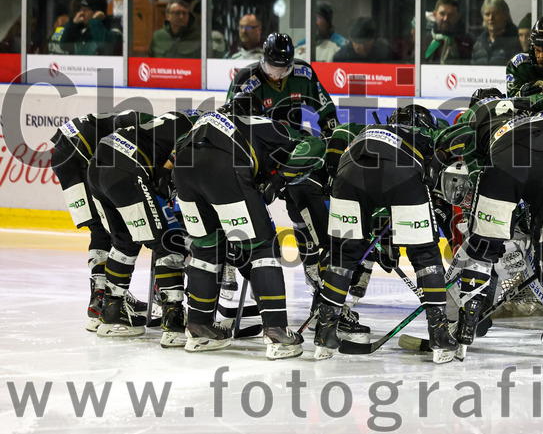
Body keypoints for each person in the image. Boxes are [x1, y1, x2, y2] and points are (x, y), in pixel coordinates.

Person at [433, 88, 543, 359]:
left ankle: (464, 334)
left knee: (482, 249)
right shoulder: (531, 102)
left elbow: (449, 151)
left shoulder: (473, 115)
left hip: (506, 157)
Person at [172, 95, 324, 359]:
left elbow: (175, 152)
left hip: (184, 172)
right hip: (225, 169)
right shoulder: (260, 122)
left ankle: (198, 327)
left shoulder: (202, 122)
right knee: (263, 248)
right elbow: (313, 145)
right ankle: (277, 333)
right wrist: (277, 180)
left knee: (206, 249)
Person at [321, 105, 458, 363]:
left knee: (343, 255)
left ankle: (325, 333)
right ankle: (439, 335)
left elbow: (340, 130)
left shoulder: (366, 128)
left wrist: (333, 168)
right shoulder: (430, 133)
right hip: (402, 172)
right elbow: (457, 138)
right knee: (426, 255)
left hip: (348, 171)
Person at [228, 33, 338, 291]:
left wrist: (333, 140)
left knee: (302, 202)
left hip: (291, 149)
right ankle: (230, 261)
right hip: (255, 153)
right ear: (263, 59)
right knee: (240, 206)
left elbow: (326, 109)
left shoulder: (303, 73)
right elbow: (231, 122)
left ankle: (312, 265)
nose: (278, 74)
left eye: (283, 68)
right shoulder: (247, 79)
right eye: (273, 67)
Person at [87, 110, 200, 345]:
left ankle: (112, 313)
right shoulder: (204, 128)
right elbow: (170, 170)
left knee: (123, 240)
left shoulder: (169, 121)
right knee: (168, 241)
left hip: (97, 165)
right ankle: (173, 323)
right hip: (127, 167)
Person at [49, 110, 146, 332]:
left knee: (98, 228)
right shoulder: (141, 131)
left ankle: (98, 298)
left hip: (63, 152)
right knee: (105, 229)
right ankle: (100, 301)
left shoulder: (136, 122)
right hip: (78, 154)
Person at [471, 0, 521, 65]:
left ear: (505, 15)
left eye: (495, 14)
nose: (491, 18)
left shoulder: (516, 42)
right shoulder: (479, 44)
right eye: (487, 14)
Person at [423, 0, 473, 64]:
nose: (445, 18)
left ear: (458, 17)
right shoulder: (423, 41)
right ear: (434, 14)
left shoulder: (466, 43)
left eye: (451, 15)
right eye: (442, 14)